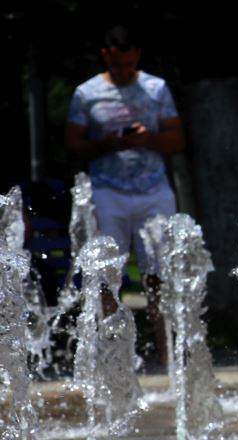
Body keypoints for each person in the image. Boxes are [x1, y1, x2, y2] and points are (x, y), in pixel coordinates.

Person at [64, 25, 184, 366]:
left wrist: (148, 139)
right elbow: (72, 144)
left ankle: (169, 354)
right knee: (107, 274)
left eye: (130, 64)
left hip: (153, 190)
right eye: (117, 65)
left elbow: (177, 140)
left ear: (138, 57)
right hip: (107, 191)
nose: (124, 71)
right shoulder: (86, 93)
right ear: (106, 55)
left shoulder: (156, 88)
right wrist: (106, 144)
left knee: (159, 273)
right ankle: (113, 354)